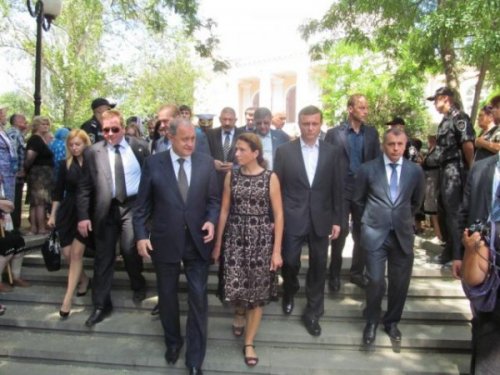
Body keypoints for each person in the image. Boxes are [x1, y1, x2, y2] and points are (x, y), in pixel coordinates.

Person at [133, 118, 220, 375]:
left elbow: (214, 201)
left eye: (193, 138)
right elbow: (141, 207)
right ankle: (173, 342)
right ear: (170, 137)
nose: (190, 144)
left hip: (197, 242)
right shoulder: (153, 164)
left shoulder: (205, 162)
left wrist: (211, 221)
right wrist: (140, 236)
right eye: (185, 139)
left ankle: (195, 359)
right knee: (168, 296)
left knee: (198, 298)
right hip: (165, 240)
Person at [212, 133, 283, 367]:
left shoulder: (270, 178)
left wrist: (276, 251)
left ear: (255, 153)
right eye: (237, 149)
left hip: (261, 241)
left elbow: (279, 215)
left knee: (258, 292)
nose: (237, 153)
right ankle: (239, 312)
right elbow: (223, 211)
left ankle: (249, 342)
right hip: (235, 238)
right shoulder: (231, 176)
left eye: (242, 150)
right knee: (237, 284)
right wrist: (218, 243)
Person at [274, 105, 343, 336]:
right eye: (306, 123)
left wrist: (337, 219)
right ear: (299, 124)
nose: (310, 128)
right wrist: (276, 218)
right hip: (292, 216)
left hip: (321, 217)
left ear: (321, 123)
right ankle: (290, 289)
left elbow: (337, 187)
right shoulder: (284, 151)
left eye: (314, 123)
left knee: (318, 265)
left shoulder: (332, 152)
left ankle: (313, 311)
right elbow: (277, 188)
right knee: (291, 261)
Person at [77, 109, 149, 327]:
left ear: (123, 128)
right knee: (103, 257)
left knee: (129, 250)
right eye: (105, 130)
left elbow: (152, 180)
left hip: (133, 207)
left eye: (114, 129)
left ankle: (138, 284)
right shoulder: (93, 152)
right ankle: (101, 304)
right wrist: (82, 216)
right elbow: (84, 187)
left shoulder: (140, 147)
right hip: (105, 210)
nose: (109, 134)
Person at [353, 128, 425, 345]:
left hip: (402, 235)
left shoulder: (415, 171)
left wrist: (402, 218)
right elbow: (357, 201)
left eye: (400, 144)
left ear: (405, 146)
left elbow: (416, 201)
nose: (395, 148)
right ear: (384, 145)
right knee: (375, 280)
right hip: (375, 233)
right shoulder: (368, 169)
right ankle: (372, 321)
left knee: (400, 283)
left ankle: (392, 322)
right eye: (391, 144)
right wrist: (368, 222)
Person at [324, 94, 381, 292]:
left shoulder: (372, 134)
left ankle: (357, 273)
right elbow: (327, 163)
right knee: (339, 234)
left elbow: (377, 163)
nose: (365, 111)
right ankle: (334, 274)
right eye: (361, 107)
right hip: (341, 189)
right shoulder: (334, 134)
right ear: (350, 109)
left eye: (366, 107)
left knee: (362, 233)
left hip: (364, 191)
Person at [459, 153, 500, 373]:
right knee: (482, 318)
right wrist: (461, 254)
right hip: (480, 252)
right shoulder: (481, 167)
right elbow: (465, 211)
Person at [427, 87, 475, 270]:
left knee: (455, 212)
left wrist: (471, 169)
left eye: (436, 100)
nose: (434, 104)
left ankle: (458, 255)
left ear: (446, 99)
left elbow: (468, 145)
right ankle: (450, 249)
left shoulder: (459, 118)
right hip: (444, 169)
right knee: (445, 210)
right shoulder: (445, 121)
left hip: (456, 169)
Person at [48, 129, 93, 318]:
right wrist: (52, 215)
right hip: (67, 211)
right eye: (71, 145)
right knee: (68, 254)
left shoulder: (93, 163)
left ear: (85, 144)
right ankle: (83, 279)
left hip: (86, 212)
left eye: (78, 144)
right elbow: (58, 192)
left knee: (76, 254)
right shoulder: (63, 164)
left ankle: (67, 299)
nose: (74, 148)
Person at [24, 116, 54, 235]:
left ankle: (36, 227)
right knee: (39, 202)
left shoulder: (42, 139)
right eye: (42, 124)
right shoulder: (35, 139)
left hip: (43, 174)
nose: (45, 126)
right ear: (36, 125)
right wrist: (25, 170)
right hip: (39, 174)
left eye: (47, 124)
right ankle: (39, 228)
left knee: (37, 202)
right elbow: (29, 157)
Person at [206, 107, 243, 193]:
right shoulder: (210, 134)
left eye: (230, 120)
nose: (227, 123)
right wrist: (212, 162)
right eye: (224, 119)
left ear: (235, 120)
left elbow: (249, 158)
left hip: (237, 182)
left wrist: (235, 166)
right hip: (215, 183)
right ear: (219, 119)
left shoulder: (244, 134)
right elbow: (204, 154)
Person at [6, 113, 28, 232]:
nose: (25, 120)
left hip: (16, 176)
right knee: (14, 201)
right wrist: (17, 170)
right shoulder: (13, 133)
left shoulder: (19, 134)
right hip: (14, 176)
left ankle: (15, 227)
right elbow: (12, 153)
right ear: (14, 121)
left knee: (17, 200)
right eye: (22, 118)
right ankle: (13, 229)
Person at [422, 135, 443, 243]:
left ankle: (439, 234)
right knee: (431, 207)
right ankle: (437, 233)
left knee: (434, 207)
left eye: (431, 139)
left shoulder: (438, 150)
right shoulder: (431, 150)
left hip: (434, 180)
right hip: (429, 179)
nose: (429, 141)